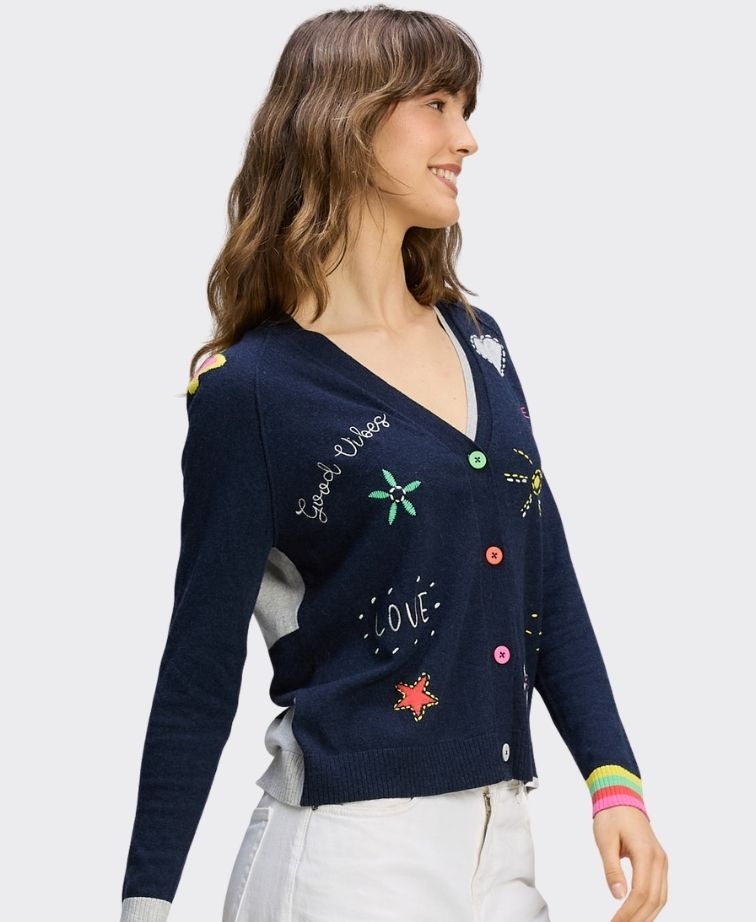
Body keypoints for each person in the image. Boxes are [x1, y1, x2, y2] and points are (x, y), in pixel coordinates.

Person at [119, 5, 668, 921]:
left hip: (502, 842)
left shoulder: (480, 342)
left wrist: (614, 779)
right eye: (438, 106)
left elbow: (545, 577)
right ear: (346, 120)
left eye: (467, 109)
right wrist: (146, 902)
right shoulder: (249, 390)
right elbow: (200, 662)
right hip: (349, 856)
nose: (468, 139)